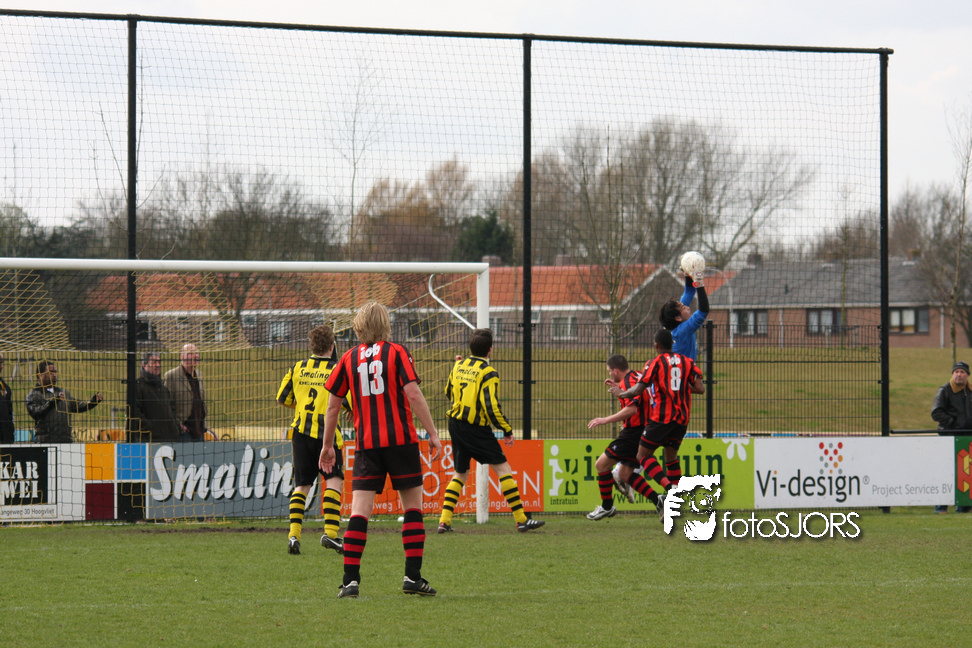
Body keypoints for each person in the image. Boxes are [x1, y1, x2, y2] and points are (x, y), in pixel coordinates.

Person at [319, 302, 443, 599]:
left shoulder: (348, 358)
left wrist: (327, 445)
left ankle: (350, 581)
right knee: (412, 508)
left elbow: (333, 406)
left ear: (358, 327)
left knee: (359, 512)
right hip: (401, 442)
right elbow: (413, 394)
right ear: (386, 325)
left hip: (367, 446)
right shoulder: (397, 352)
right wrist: (433, 433)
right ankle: (412, 577)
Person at [436, 328, 545, 534]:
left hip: (455, 424)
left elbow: (449, 392)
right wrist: (506, 429)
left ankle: (444, 521)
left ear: (470, 347)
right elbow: (491, 406)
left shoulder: (458, 365)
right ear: (490, 350)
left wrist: (458, 369)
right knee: (504, 470)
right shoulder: (489, 372)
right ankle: (521, 520)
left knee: (460, 473)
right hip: (476, 428)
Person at [608, 329, 704, 512]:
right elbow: (700, 388)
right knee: (671, 458)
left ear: (656, 345)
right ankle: (675, 502)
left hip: (661, 417)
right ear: (672, 344)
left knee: (642, 455)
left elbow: (638, 389)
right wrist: (679, 387)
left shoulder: (654, 363)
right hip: (682, 419)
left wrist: (622, 394)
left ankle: (670, 489)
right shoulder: (688, 362)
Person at [277, 324, 349, 555]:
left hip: (300, 434)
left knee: (302, 485)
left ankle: (293, 536)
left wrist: (300, 408)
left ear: (311, 346)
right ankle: (331, 534)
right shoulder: (337, 369)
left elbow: (282, 398)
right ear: (332, 346)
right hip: (327, 434)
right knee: (334, 481)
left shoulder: (297, 368)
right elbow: (347, 401)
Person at [650, 266, 710, 488]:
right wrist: (699, 282)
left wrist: (688, 274)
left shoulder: (673, 324)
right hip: (677, 388)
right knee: (648, 452)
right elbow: (704, 309)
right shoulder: (684, 329)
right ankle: (628, 469)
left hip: (668, 386)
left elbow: (688, 293)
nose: (687, 307)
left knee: (668, 452)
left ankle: (673, 492)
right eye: (684, 308)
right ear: (678, 316)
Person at [586, 354, 663, 520]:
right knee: (624, 473)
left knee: (601, 465)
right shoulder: (637, 375)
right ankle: (658, 500)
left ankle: (607, 507)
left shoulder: (627, 382)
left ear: (615, 371)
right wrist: (621, 392)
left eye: (609, 371)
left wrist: (604, 420)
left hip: (633, 432)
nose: (609, 374)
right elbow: (638, 399)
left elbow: (632, 409)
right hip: (646, 429)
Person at [25, 360, 102, 443]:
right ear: (40, 375)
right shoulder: (34, 394)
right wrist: (51, 403)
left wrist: (93, 401)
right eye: (50, 372)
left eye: (55, 372)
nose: (54, 375)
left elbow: (79, 406)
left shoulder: (63, 393)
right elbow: (35, 413)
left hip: (65, 441)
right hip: (45, 442)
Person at [930, 360, 972, 513]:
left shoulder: (970, 391)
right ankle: (941, 507)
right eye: (956, 372)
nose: (959, 375)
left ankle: (964, 506)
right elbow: (936, 413)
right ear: (953, 374)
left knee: (966, 472)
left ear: (967, 375)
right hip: (948, 437)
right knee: (945, 472)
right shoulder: (945, 390)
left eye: (962, 372)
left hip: (967, 439)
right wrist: (953, 422)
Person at [128, 351, 181, 443]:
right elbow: (134, 412)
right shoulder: (137, 386)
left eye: (159, 362)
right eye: (154, 362)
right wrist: (150, 428)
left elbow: (172, 409)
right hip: (147, 440)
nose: (158, 365)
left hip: (168, 439)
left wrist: (176, 427)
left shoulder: (163, 388)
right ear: (144, 365)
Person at [163, 343, 207, 442]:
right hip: (183, 432)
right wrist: (178, 425)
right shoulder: (171, 376)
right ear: (182, 357)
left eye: (196, 353)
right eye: (190, 353)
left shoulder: (199, 375)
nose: (195, 356)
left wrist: (205, 426)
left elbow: (201, 403)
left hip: (199, 430)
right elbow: (166, 405)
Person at [0, 353, 14, 444]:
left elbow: (10, 413)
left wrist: (10, 434)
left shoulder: (4, 387)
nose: (2, 366)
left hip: (5, 439)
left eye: (2, 363)